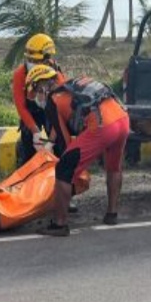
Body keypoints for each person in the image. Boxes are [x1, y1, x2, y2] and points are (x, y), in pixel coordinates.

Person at [26, 65, 130, 237]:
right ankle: (112, 214)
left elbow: (65, 141)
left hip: (103, 126)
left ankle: (59, 224)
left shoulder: (53, 100)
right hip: (123, 119)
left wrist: (70, 169)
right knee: (114, 167)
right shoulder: (73, 86)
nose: (37, 95)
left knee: (63, 169)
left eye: (36, 90)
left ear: (43, 86)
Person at [11, 33, 68, 164]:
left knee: (60, 146)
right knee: (28, 146)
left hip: (51, 111)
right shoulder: (20, 74)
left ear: (47, 59)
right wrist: (35, 131)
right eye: (30, 60)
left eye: (36, 61)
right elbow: (21, 107)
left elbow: (61, 111)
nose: (32, 64)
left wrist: (51, 141)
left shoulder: (56, 75)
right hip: (30, 112)